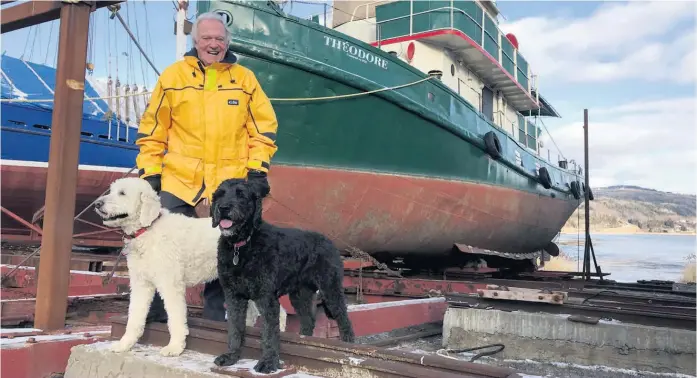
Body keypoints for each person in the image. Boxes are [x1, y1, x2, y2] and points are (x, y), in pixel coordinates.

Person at [134, 12, 279, 322]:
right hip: (179, 181)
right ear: (195, 42)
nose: (213, 44)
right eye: (207, 38)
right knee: (161, 244)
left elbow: (262, 129)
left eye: (219, 39)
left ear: (227, 43)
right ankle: (156, 318)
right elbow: (152, 129)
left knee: (229, 251)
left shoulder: (245, 80)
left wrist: (257, 171)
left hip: (229, 186)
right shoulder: (173, 77)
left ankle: (219, 321)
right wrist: (151, 172)